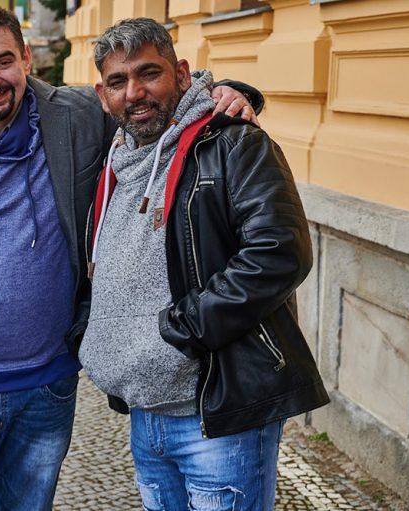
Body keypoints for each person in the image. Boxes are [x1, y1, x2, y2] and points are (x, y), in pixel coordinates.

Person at [0, 6, 259, 510]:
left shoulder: (76, 115)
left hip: (44, 388)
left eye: (3, 61)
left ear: (27, 58)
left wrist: (230, 92)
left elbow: (148, 101)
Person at [78, 18, 330, 510]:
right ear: (102, 93)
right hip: (144, 412)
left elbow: (279, 253)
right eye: (117, 81)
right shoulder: (112, 156)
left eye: (149, 73)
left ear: (182, 72)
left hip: (217, 413)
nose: (135, 92)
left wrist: (183, 329)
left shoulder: (235, 144)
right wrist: (87, 333)